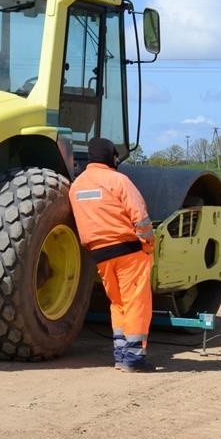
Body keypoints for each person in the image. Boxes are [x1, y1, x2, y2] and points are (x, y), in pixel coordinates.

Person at [69, 138, 156, 373]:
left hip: (100, 255)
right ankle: (134, 359)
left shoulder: (76, 186)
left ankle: (120, 355)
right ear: (111, 157)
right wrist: (148, 243)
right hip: (128, 251)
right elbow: (140, 216)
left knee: (117, 304)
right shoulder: (118, 180)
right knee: (136, 302)